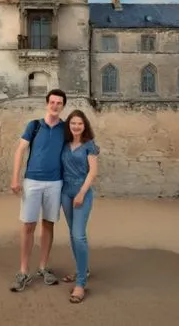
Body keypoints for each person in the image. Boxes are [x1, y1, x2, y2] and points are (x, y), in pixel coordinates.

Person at [9, 88, 67, 292]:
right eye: (52, 102)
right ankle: (24, 271)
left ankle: (43, 267)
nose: (55, 105)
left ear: (63, 106)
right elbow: (20, 150)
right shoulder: (34, 126)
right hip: (32, 181)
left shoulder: (65, 128)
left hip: (55, 182)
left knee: (49, 225)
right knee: (28, 226)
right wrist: (15, 178)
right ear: (47, 103)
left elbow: (77, 145)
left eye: (59, 103)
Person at [60, 109, 99, 304]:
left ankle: (81, 283)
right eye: (73, 123)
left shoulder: (89, 146)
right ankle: (81, 270)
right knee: (72, 234)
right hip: (65, 193)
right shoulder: (65, 144)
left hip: (81, 193)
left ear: (85, 126)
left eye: (80, 124)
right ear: (69, 125)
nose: (76, 126)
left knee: (78, 235)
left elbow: (93, 172)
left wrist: (82, 193)